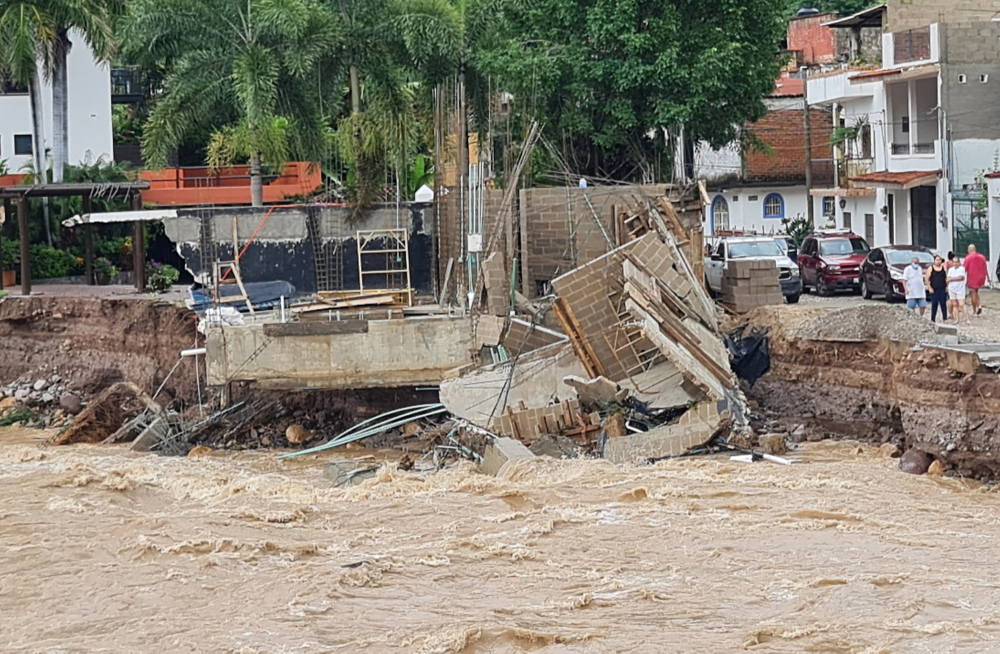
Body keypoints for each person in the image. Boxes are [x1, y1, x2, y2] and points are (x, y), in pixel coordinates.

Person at [964, 244, 988, 315]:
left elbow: (964, 269)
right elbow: (985, 268)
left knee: (973, 293)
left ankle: (975, 309)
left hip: (972, 277)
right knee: (976, 292)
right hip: (981, 278)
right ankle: (978, 305)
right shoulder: (982, 257)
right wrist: (988, 278)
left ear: (969, 250)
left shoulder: (968, 258)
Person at [947, 254, 970, 325]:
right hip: (952, 288)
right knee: (954, 304)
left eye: (957, 262)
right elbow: (948, 279)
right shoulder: (950, 269)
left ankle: (967, 319)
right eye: (954, 262)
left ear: (959, 262)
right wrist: (951, 279)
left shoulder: (962, 269)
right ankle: (956, 319)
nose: (955, 263)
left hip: (960, 289)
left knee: (962, 304)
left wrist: (952, 279)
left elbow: (961, 278)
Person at [925, 255, 948, 323]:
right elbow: (926, 278)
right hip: (934, 289)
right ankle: (933, 319)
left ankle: (945, 318)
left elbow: (946, 278)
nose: (938, 261)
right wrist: (929, 287)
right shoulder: (931, 268)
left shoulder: (943, 268)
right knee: (934, 304)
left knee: (943, 304)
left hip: (942, 289)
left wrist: (947, 286)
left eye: (939, 260)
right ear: (934, 261)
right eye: (937, 260)